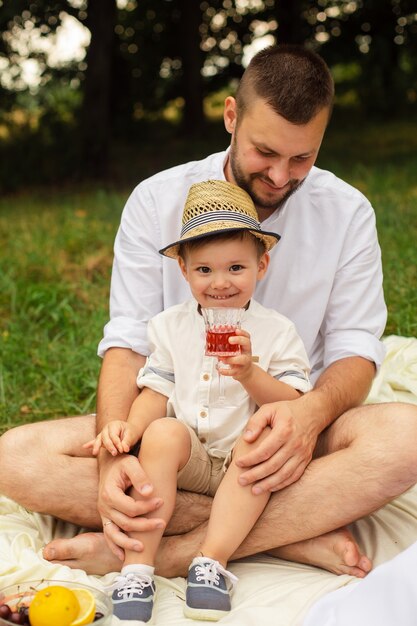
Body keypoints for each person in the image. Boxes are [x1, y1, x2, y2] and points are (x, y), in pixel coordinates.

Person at [1, 44, 417, 583]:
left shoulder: (348, 211)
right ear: (230, 116)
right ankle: (291, 534)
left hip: (290, 436)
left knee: (407, 438)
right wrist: (113, 463)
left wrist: (308, 416)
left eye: (303, 158)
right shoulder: (156, 201)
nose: (280, 175)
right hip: (179, 435)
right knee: (14, 455)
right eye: (265, 152)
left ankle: (167, 553)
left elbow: (356, 349)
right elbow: (127, 345)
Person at [85, 179, 311, 622]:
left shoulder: (277, 330)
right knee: (162, 431)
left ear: (261, 266)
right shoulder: (169, 327)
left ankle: (210, 562)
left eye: (235, 268)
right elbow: (157, 390)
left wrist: (250, 373)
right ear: (184, 272)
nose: (220, 282)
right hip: (187, 454)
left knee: (257, 441)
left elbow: (291, 402)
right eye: (204, 270)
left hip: (238, 460)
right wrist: (128, 430)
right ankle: (137, 567)